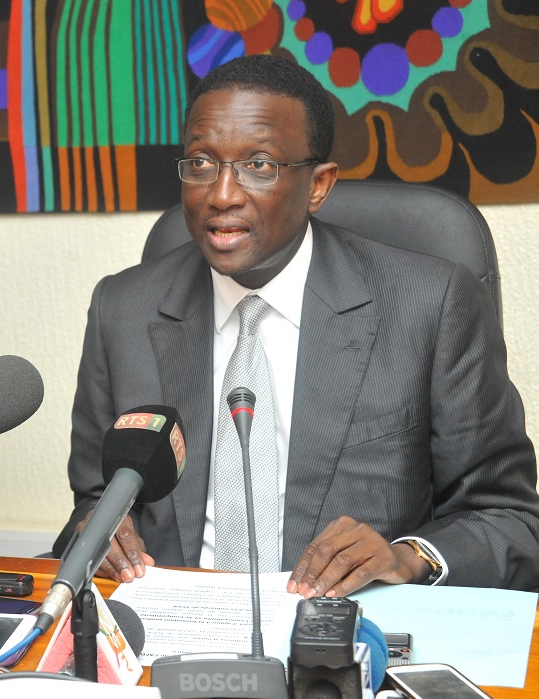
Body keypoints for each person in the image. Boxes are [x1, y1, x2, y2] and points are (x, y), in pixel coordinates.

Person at [53, 55, 539, 596]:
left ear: (318, 185)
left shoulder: (430, 304)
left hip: (345, 627)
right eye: (202, 162)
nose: (222, 194)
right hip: (169, 623)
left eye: (259, 165)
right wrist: (101, 532)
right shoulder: (123, 308)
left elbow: (509, 520)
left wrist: (408, 557)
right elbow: (95, 498)